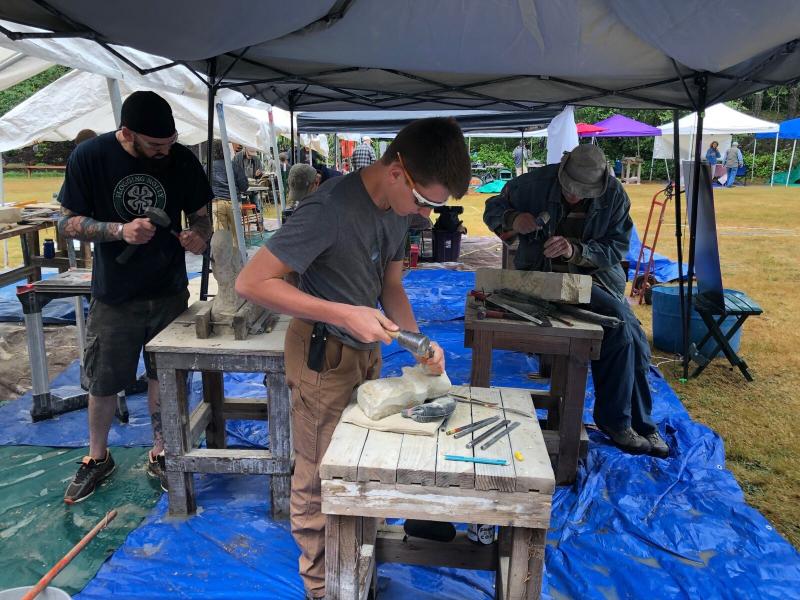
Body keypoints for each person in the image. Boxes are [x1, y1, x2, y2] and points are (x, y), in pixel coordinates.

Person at [235, 117, 470, 600]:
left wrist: (417, 342)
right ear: (397, 172)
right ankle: (323, 588)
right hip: (323, 354)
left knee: (367, 463)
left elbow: (391, 285)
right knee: (320, 474)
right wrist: (343, 312)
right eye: (425, 202)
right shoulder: (328, 209)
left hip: (365, 352)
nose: (426, 215)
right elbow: (252, 283)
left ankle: (358, 560)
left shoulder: (395, 209)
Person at [57, 91, 213, 504]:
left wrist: (199, 236)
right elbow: (66, 222)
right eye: (155, 146)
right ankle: (97, 457)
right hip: (115, 294)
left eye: (170, 143)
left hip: (168, 292)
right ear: (127, 133)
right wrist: (118, 231)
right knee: (105, 379)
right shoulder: (91, 157)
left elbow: (202, 214)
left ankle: (162, 451)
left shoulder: (181, 159)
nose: (165, 152)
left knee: (165, 375)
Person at [483, 144, 669, 459]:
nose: (573, 196)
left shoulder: (614, 195)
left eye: (582, 193)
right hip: (539, 279)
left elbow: (617, 248)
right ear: (562, 170)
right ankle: (618, 422)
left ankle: (640, 424)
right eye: (569, 190)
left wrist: (575, 251)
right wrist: (514, 218)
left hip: (593, 279)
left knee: (633, 337)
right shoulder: (533, 184)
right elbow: (491, 209)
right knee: (623, 330)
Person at [208, 140, 249, 248]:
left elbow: (204, 188)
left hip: (216, 203)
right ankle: (238, 260)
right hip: (233, 203)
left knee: (221, 238)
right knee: (237, 236)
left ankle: (222, 262)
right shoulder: (234, 165)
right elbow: (244, 186)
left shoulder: (207, 167)